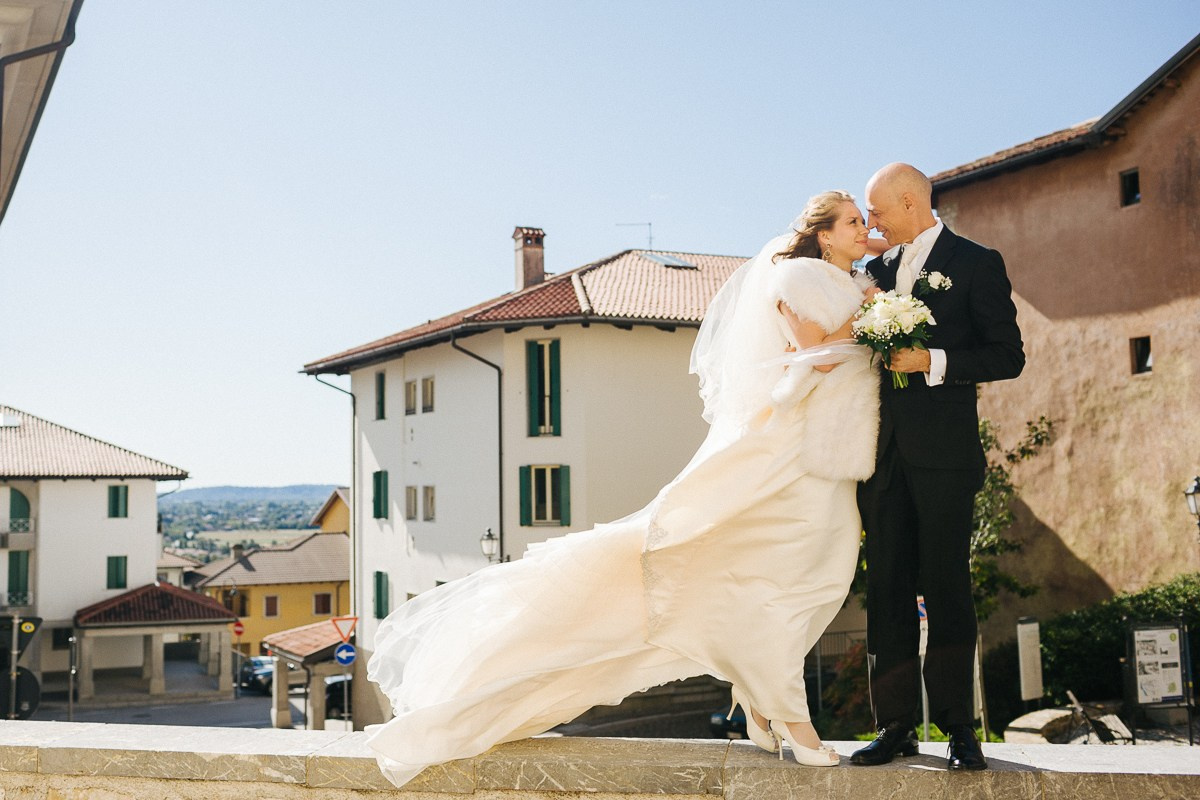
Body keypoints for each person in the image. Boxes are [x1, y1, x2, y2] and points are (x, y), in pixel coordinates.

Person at [365, 191, 881, 786]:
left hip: (825, 455)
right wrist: (868, 315)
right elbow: (815, 352)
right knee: (785, 577)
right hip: (788, 452)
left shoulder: (856, 281)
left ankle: (760, 705)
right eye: (852, 221)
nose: (863, 228)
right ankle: (787, 717)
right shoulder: (795, 276)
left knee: (811, 575)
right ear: (822, 234)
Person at [850, 163, 1025, 772]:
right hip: (881, 457)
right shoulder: (869, 273)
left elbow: (1008, 355)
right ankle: (895, 725)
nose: (871, 224)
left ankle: (958, 728)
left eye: (876, 212)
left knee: (946, 587)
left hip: (947, 457)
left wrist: (933, 358)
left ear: (907, 201)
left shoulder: (977, 262)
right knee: (887, 587)